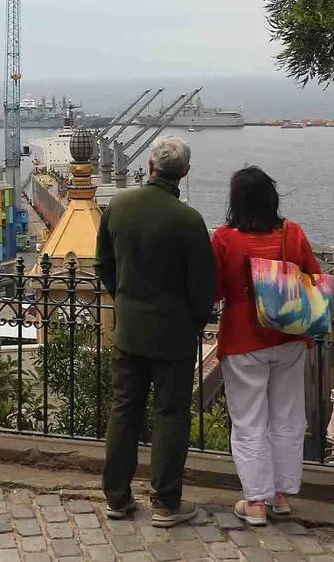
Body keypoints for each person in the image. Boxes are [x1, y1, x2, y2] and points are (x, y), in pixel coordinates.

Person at [96, 136, 216, 528]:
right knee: (170, 415)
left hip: (129, 330)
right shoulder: (188, 220)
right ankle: (166, 501)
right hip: (174, 335)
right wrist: (194, 321)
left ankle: (116, 497)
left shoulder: (119, 206)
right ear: (185, 172)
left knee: (124, 410)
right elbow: (203, 286)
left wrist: (125, 299)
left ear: (149, 166)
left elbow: (104, 264)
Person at [211, 166, 321, 526]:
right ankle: (281, 494)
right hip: (288, 336)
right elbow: (313, 279)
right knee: (287, 415)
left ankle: (255, 499)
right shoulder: (293, 233)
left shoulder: (225, 239)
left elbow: (215, 290)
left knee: (248, 420)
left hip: (243, 338)